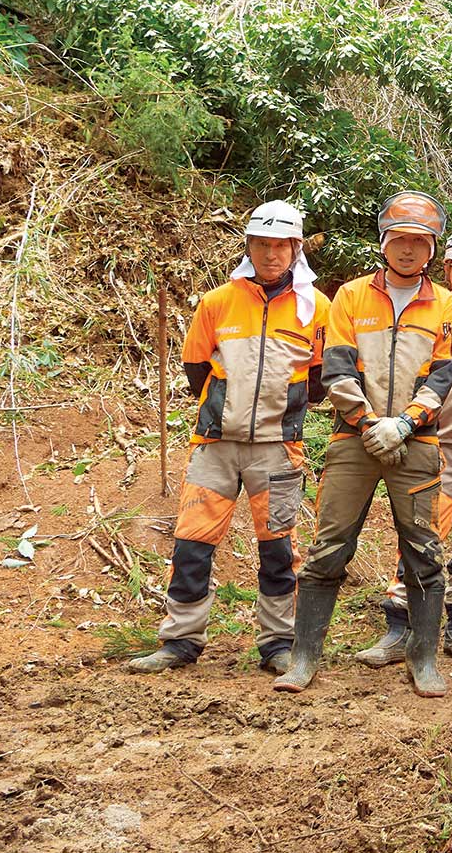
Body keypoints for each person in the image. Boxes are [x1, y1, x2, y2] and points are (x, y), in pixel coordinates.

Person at [127, 200, 327, 676]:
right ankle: (180, 640)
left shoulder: (316, 307)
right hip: (214, 447)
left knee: (279, 548)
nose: (271, 254)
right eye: (262, 244)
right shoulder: (216, 302)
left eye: (281, 245)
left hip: (279, 449)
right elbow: (195, 367)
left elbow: (320, 378)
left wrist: (282, 411)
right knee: (191, 544)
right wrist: (225, 409)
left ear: (296, 249)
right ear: (249, 246)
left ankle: (278, 643)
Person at [277, 190, 452, 697]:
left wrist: (404, 424)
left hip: (416, 443)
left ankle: (423, 657)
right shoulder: (351, 297)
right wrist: (367, 423)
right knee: (329, 546)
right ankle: (303, 657)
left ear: (431, 250)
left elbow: (444, 375)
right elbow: (335, 367)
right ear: (384, 242)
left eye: (419, 243)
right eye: (400, 240)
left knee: (424, 549)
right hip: (352, 441)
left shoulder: (444, 304)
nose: (408, 251)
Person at [363, 227, 452, 665]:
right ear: (446, 267)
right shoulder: (433, 310)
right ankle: (399, 626)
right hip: (434, 442)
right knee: (420, 534)